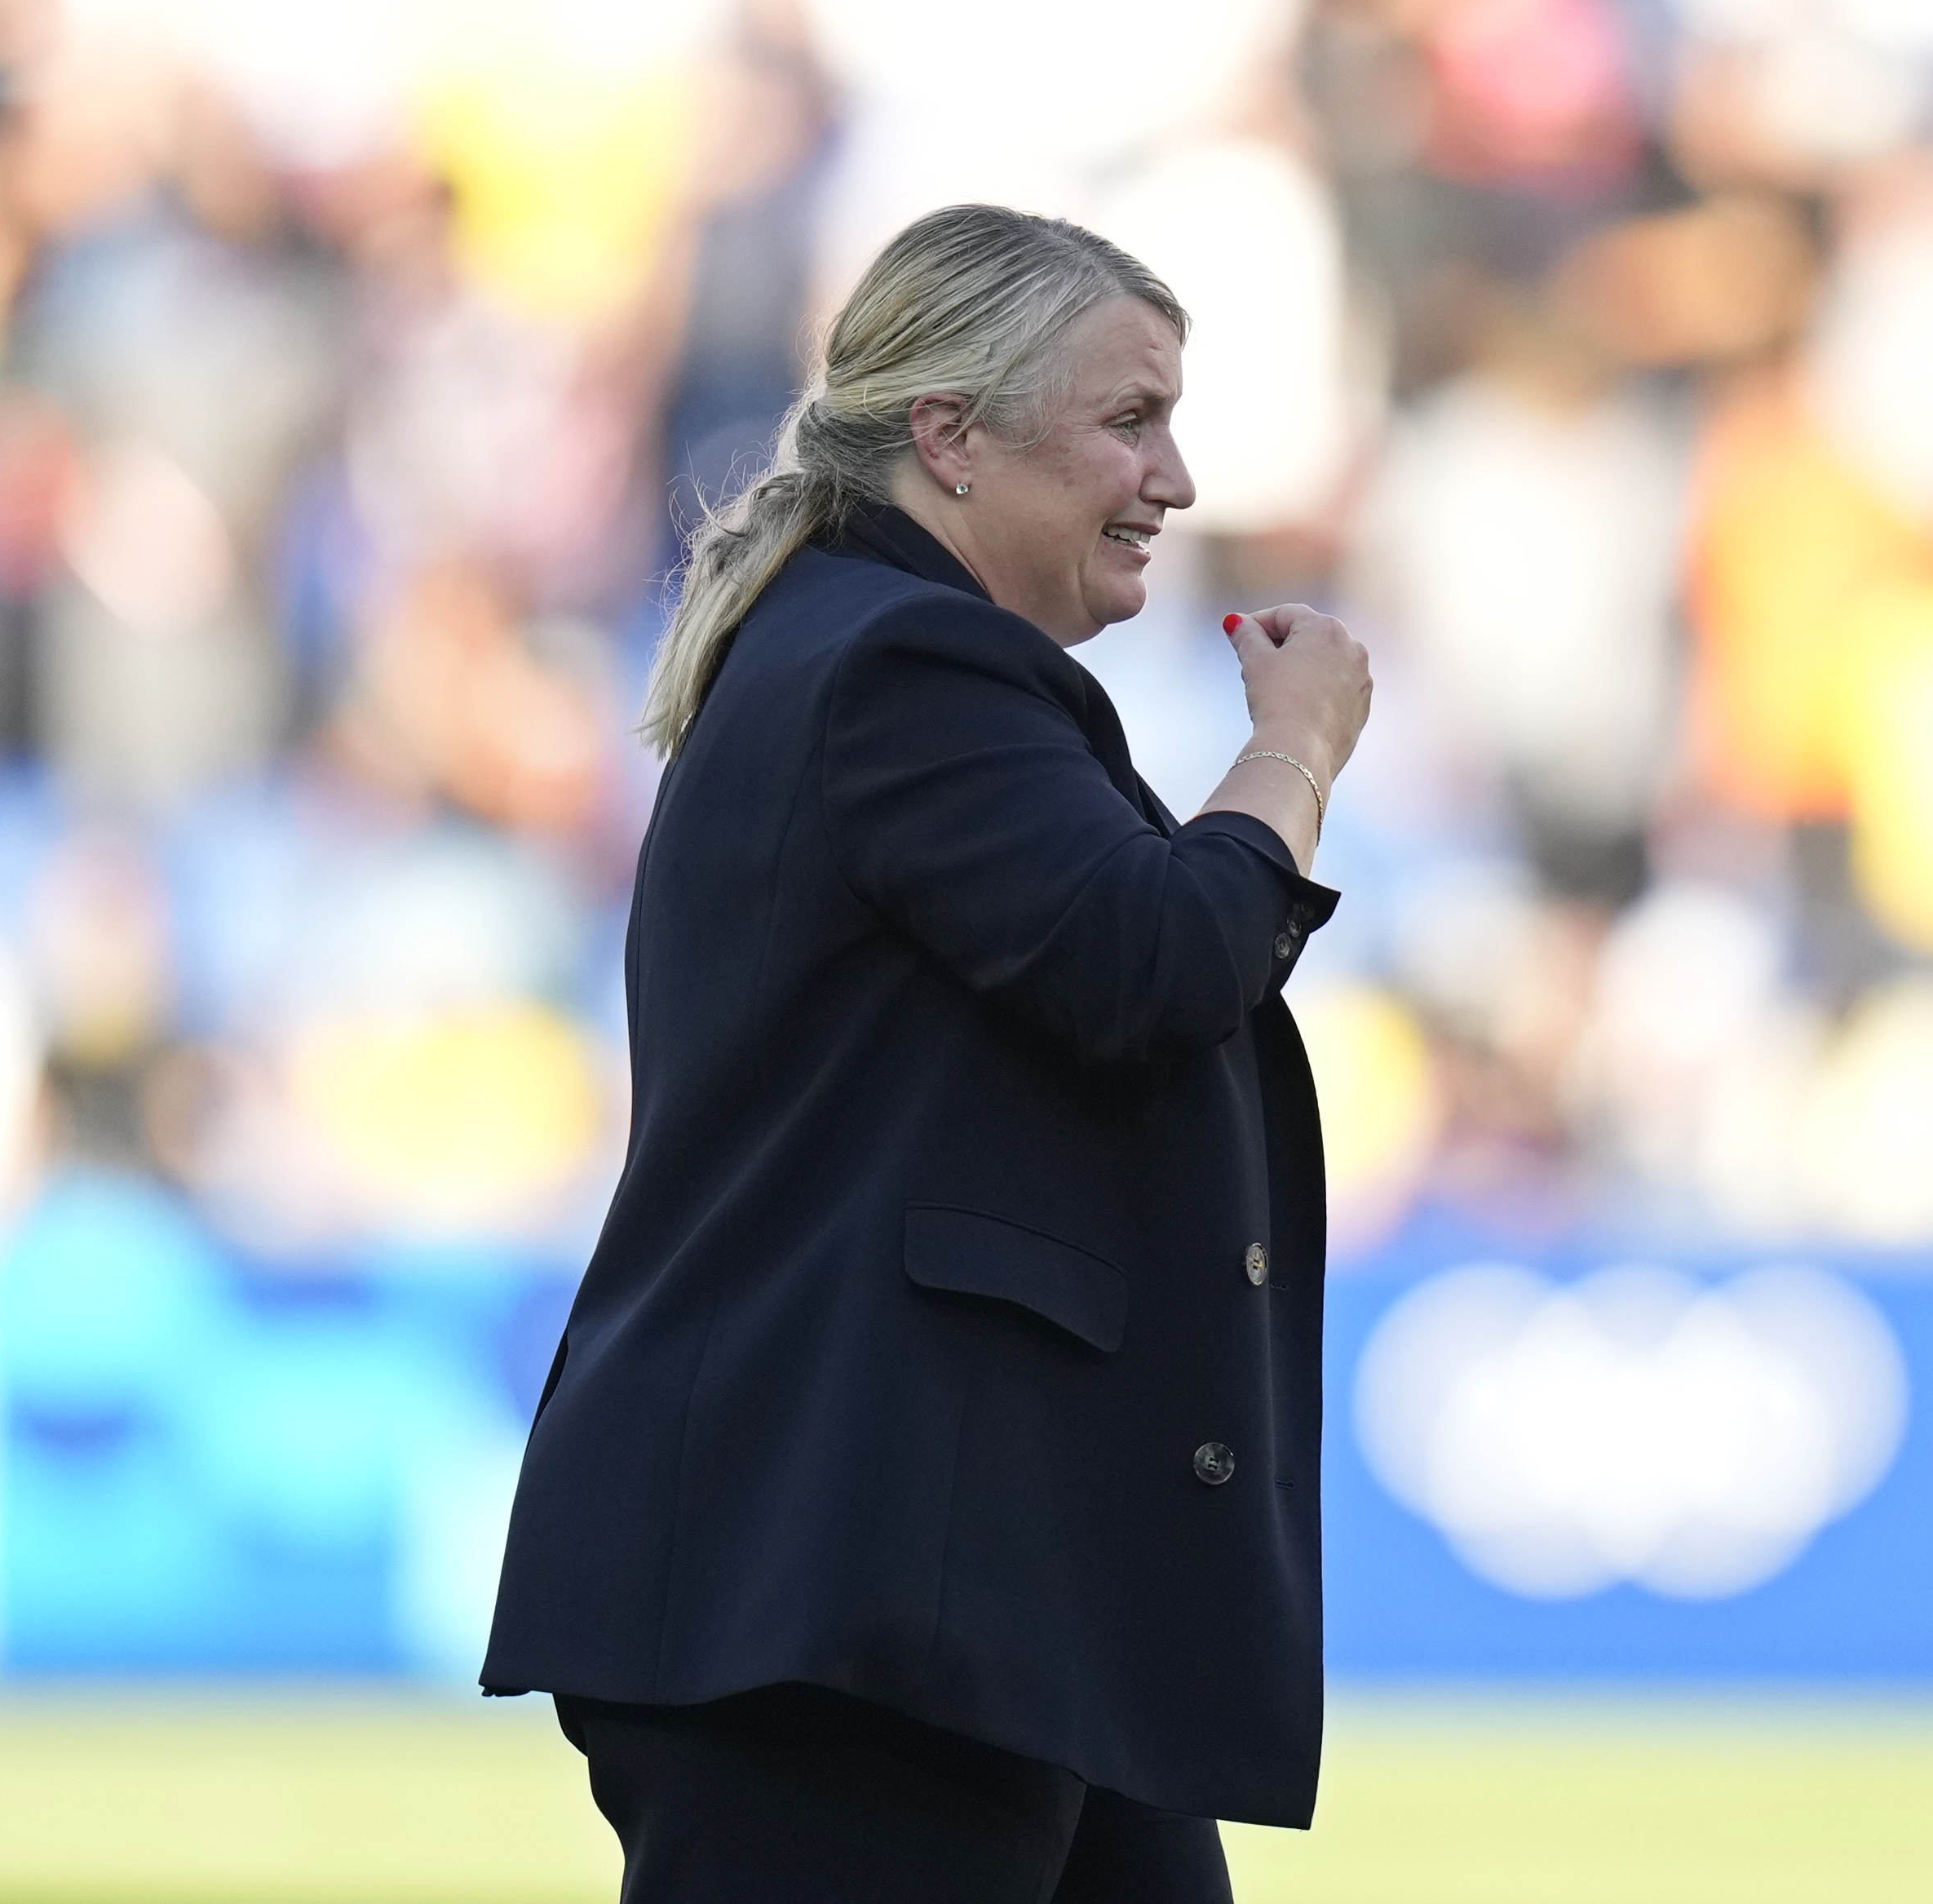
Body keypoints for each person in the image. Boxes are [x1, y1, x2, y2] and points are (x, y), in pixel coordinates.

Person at [483, 204, 1373, 1902]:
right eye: (1131, 419)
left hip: (961, 1583)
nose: (1175, 480)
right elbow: (1156, 959)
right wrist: (1295, 758)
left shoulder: (869, 653)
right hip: (852, 1585)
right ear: (950, 439)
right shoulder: (904, 657)